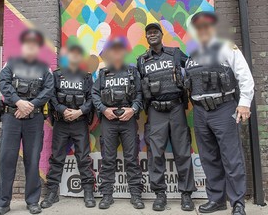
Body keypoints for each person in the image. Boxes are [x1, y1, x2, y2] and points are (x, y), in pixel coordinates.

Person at [185, 11, 254, 215]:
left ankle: (238, 203)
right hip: (200, 112)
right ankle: (216, 199)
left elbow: (245, 76)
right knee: (209, 158)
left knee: (231, 157)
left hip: (224, 109)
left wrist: (244, 104)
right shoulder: (193, 54)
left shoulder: (226, 47)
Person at [0, 29, 54, 215]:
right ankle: (2, 204)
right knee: (6, 160)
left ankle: (32, 201)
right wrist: (19, 102)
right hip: (12, 117)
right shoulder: (10, 64)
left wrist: (31, 105)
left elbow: (48, 90)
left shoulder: (45, 68)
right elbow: (4, 84)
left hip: (33, 119)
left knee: (33, 160)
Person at [137, 23, 197, 212]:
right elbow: (138, 87)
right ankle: (160, 194)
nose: (152, 35)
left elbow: (193, 67)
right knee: (156, 154)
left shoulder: (175, 53)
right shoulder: (142, 60)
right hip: (155, 112)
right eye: (149, 33)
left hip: (176, 108)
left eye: (155, 32)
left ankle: (186, 195)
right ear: (146, 38)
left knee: (182, 152)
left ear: (162, 35)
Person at [40, 43, 95, 209]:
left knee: (84, 159)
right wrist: (63, 110)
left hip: (79, 123)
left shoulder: (86, 77)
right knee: (56, 158)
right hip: (61, 123)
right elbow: (51, 96)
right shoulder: (57, 75)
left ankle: (88, 192)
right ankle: (52, 193)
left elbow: (92, 98)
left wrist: (79, 112)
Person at [92, 37, 144, 210]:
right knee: (108, 159)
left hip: (128, 120)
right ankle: (107, 195)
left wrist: (133, 109)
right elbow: (94, 94)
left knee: (131, 159)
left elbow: (140, 94)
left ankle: (136, 195)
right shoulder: (103, 73)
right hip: (109, 120)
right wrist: (104, 109)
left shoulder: (132, 71)